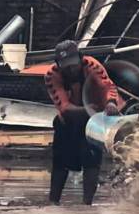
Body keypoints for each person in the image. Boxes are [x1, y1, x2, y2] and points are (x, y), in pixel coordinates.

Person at [45, 40, 122, 205]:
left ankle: (87, 204)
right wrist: (87, 108)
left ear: (80, 58)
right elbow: (64, 107)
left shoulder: (92, 66)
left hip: (95, 119)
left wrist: (110, 103)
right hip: (69, 120)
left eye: (73, 64)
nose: (70, 69)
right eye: (66, 66)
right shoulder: (52, 75)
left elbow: (108, 87)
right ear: (59, 64)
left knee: (91, 160)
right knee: (60, 161)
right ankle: (53, 202)